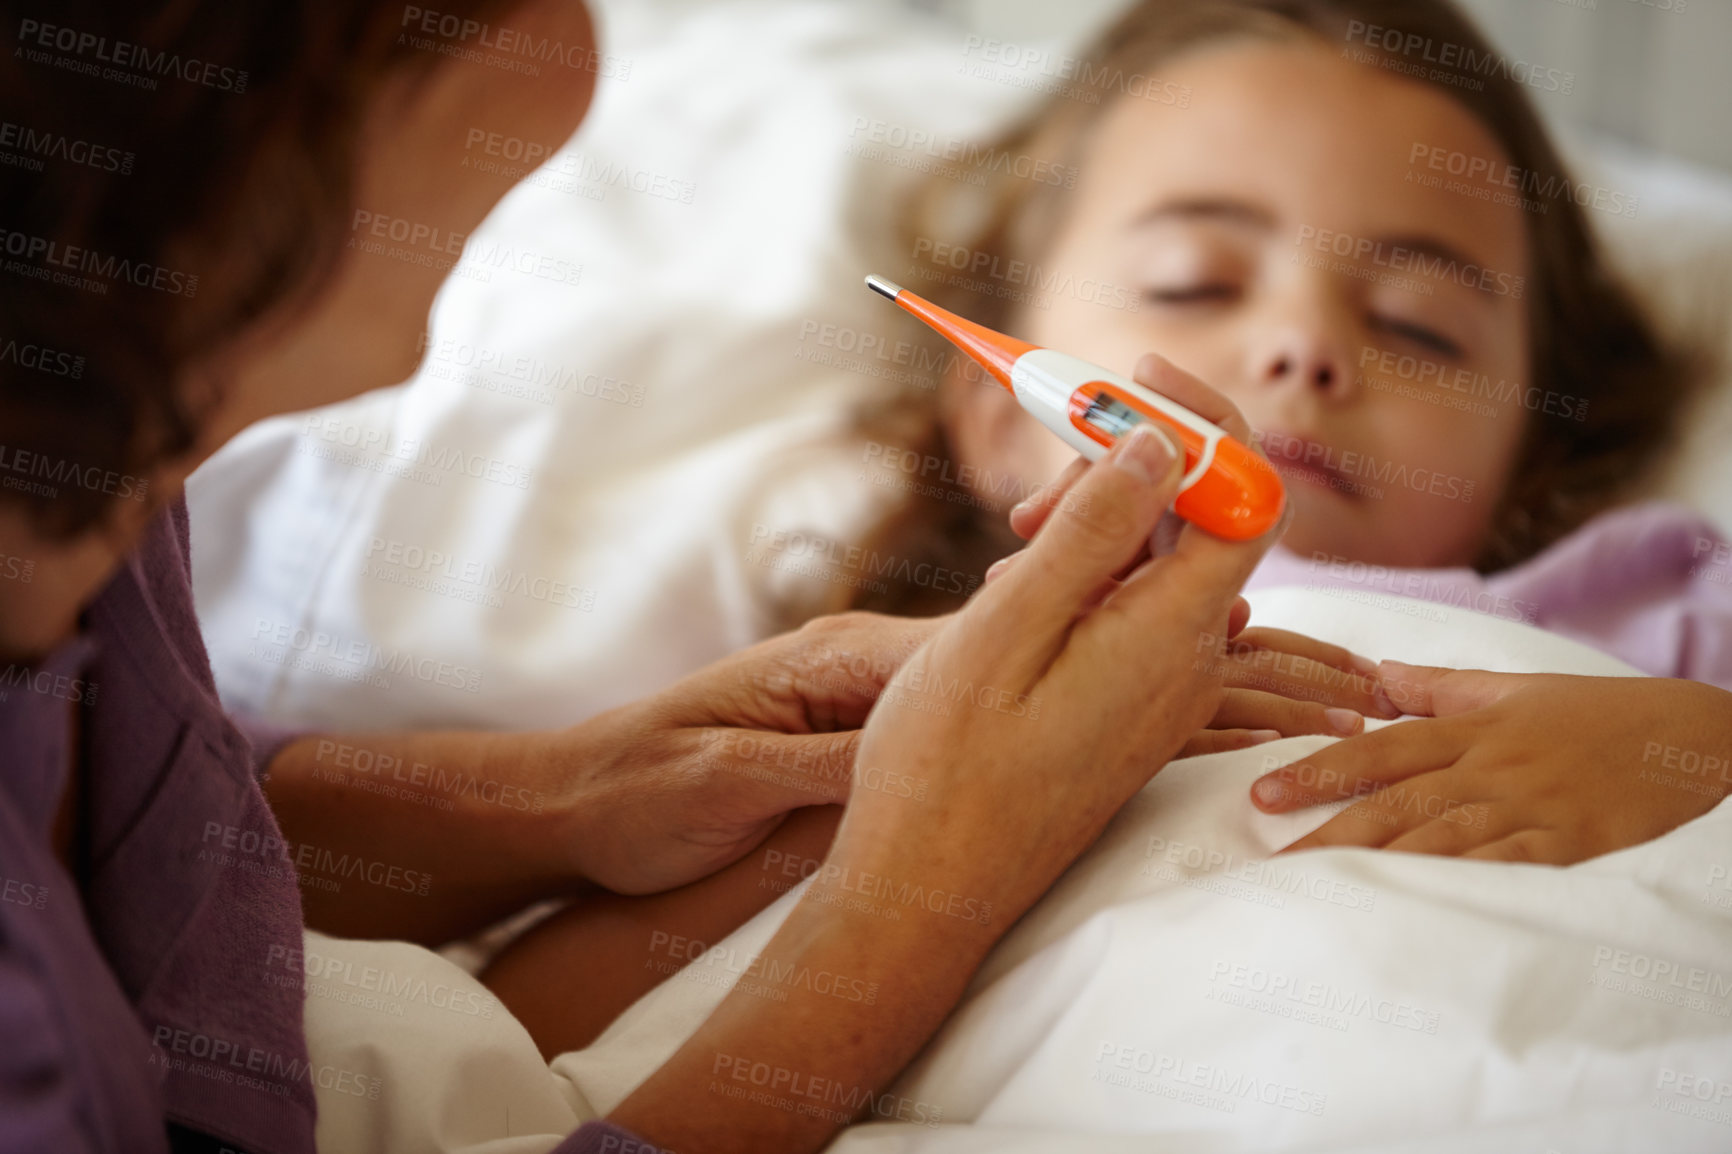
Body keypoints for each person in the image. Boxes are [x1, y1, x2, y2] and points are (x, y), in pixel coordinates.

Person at [0, 2, 1296, 1151]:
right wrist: (919, 898)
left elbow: (138, 802)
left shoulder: (100, 470)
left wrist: (573, 790)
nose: (581, 42)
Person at [477, 0, 1732, 1067]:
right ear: (999, 420)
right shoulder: (887, 687)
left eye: (1418, 323)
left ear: (1533, 453)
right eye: (1194, 281)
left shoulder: (1644, 610)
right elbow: (539, 1034)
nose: (1304, 345)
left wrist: (1690, 747)